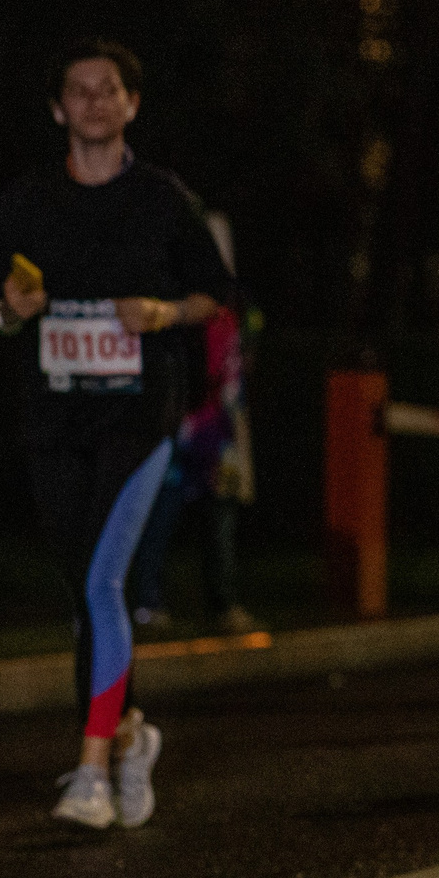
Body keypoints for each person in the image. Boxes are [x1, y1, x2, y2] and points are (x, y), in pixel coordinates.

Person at [0, 40, 232, 830]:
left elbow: (217, 294)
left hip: (138, 414)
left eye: (109, 88)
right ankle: (129, 733)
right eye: (79, 89)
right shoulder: (25, 201)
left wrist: (163, 312)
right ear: (57, 108)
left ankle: (90, 772)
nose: (94, 100)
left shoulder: (162, 198)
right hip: (55, 419)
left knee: (101, 585)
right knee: (86, 597)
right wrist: (11, 310)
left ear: (132, 104)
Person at [129, 209, 260, 636]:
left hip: (220, 428)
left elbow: (241, 359)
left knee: (219, 513)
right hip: (181, 424)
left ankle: (222, 601)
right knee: (162, 508)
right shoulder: (180, 303)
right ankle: (148, 600)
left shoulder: (236, 308)